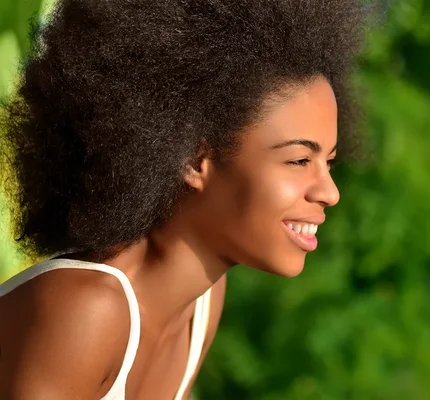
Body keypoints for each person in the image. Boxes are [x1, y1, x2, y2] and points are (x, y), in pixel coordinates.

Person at [0, 0, 366, 398]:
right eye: (298, 160)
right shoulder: (86, 311)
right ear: (195, 160)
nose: (329, 192)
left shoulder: (202, 304)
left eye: (328, 162)